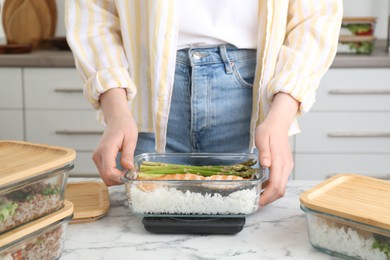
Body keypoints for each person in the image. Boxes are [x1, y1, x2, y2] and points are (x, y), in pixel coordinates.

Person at [65, 0, 342, 206]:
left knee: (244, 240)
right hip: (142, 97)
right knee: (142, 237)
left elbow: (315, 18)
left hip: (249, 96)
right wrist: (116, 110)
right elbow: (93, 14)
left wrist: (280, 117)